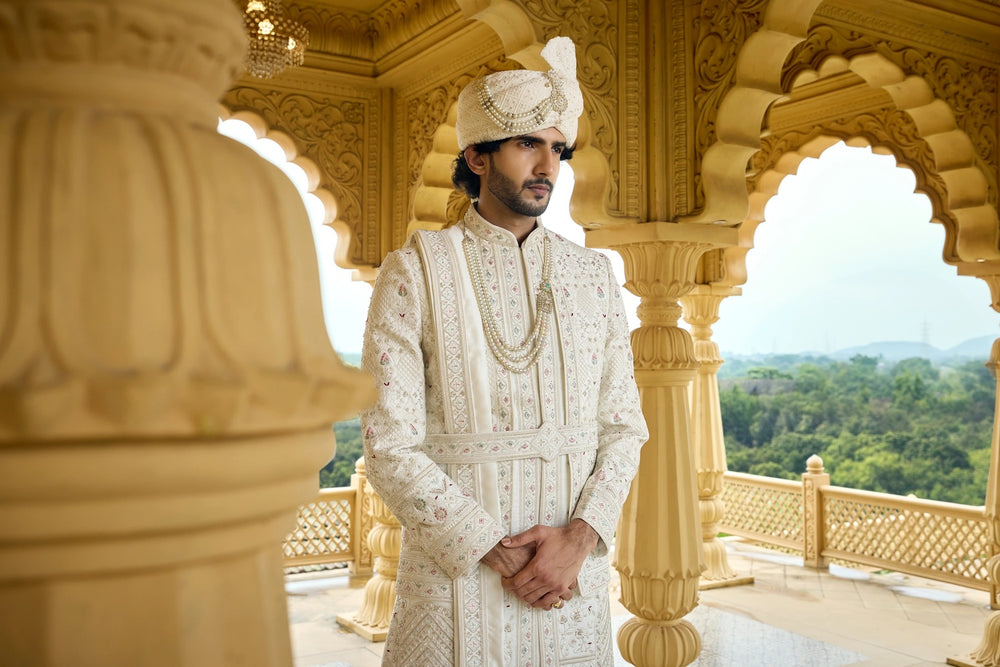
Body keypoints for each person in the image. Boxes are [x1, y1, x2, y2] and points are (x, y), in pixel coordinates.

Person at [360, 35, 648, 666]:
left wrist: (579, 539)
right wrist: (493, 546)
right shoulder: (415, 272)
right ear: (478, 156)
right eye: (526, 143)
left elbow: (624, 427)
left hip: (571, 583)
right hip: (456, 581)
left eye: (557, 147)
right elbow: (388, 444)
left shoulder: (591, 276)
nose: (548, 165)